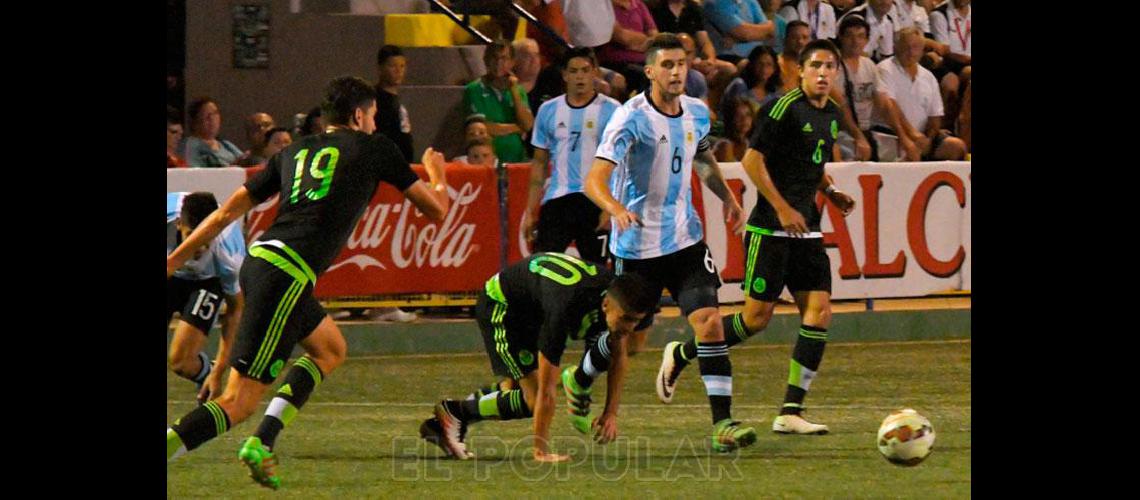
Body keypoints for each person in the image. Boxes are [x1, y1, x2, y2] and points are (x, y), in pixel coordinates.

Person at [165, 76, 452, 490]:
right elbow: (437, 210)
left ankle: (263, 443)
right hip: (286, 274)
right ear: (358, 115)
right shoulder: (375, 147)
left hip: (265, 262)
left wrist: (173, 258)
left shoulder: (295, 152)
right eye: (371, 116)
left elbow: (226, 213)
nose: (374, 124)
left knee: (330, 349)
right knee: (237, 401)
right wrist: (437, 174)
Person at [656, 39, 858, 436]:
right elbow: (751, 161)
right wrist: (782, 208)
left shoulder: (832, 114)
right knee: (755, 319)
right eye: (815, 65)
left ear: (836, 73)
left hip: (808, 230)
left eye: (829, 66)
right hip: (769, 229)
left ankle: (791, 410)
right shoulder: (781, 108)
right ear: (799, 71)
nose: (822, 72)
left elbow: (812, 163)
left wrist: (830, 193)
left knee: (819, 312)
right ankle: (683, 352)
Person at [585, 33, 756, 452]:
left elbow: (700, 158)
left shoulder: (697, 112)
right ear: (650, 71)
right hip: (638, 247)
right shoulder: (630, 118)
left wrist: (728, 198)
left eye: (682, 64)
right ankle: (586, 382)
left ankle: (723, 424)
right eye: (668, 65)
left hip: (685, 241)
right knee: (625, 337)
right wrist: (615, 208)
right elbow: (594, 180)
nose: (677, 71)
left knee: (711, 323)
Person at [421, 252, 657, 462]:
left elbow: (619, 356)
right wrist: (541, 451)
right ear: (605, 304)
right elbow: (547, 391)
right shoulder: (564, 310)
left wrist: (611, 413)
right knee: (533, 399)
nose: (630, 326)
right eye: (626, 319)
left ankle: (450, 419)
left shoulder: (620, 298)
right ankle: (455, 413)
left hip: (533, 304)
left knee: (512, 389)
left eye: (636, 321)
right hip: (503, 307)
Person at [523, 47, 622, 265]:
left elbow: (621, 162)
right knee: (542, 268)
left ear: (594, 72)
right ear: (565, 75)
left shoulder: (613, 110)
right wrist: (531, 211)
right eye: (574, 71)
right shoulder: (548, 110)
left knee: (601, 272)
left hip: (596, 201)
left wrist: (612, 206)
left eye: (585, 70)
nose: (580, 76)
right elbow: (539, 164)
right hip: (558, 201)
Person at [167, 192, 246, 403]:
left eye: (207, 239)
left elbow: (235, 311)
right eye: (192, 236)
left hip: (207, 281)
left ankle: (205, 374)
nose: (200, 248)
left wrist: (219, 370)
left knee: (181, 363)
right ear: (177, 225)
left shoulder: (230, 256)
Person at [872, 27, 967, 161]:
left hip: (922, 136)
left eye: (916, 47)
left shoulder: (928, 77)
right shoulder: (884, 69)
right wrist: (911, 135)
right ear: (896, 47)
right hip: (892, 133)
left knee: (956, 147)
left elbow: (935, 116)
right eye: (906, 47)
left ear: (922, 50)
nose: (911, 52)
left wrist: (928, 138)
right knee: (906, 152)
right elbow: (889, 105)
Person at [464, 39, 535, 163]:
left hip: (517, 160)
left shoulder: (518, 89)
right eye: (494, 58)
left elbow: (528, 125)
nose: (498, 63)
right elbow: (483, 128)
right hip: (486, 162)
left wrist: (514, 90)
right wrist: (517, 127)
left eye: (504, 58)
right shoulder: (474, 89)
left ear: (512, 62)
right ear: (486, 60)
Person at [830, 14, 881, 161]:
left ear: (866, 40)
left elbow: (883, 101)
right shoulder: (833, 66)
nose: (855, 42)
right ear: (840, 37)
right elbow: (841, 105)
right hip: (842, 130)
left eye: (860, 36)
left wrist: (903, 135)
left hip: (867, 128)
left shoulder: (869, 64)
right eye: (850, 36)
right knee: (855, 152)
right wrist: (858, 136)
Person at [373, 45, 415, 163]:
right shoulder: (374, 100)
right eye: (392, 66)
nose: (399, 71)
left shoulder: (398, 100)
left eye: (402, 66)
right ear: (380, 68)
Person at [720, 44, 783, 120]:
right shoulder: (739, 86)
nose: (764, 69)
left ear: (774, 68)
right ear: (752, 65)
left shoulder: (776, 95)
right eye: (760, 64)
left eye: (769, 65)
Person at [183, 97, 244, 168]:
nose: (212, 119)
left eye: (215, 113)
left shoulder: (226, 145)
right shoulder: (192, 145)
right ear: (195, 121)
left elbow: (244, 160)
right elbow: (196, 172)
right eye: (207, 116)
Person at [713, 95, 754, 162]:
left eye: (748, 114)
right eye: (738, 115)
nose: (744, 119)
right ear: (731, 119)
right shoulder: (724, 145)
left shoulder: (747, 143)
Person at [778, 20, 811, 92]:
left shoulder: (813, 65)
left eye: (805, 37)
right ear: (785, 40)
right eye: (794, 37)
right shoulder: (776, 64)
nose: (800, 41)